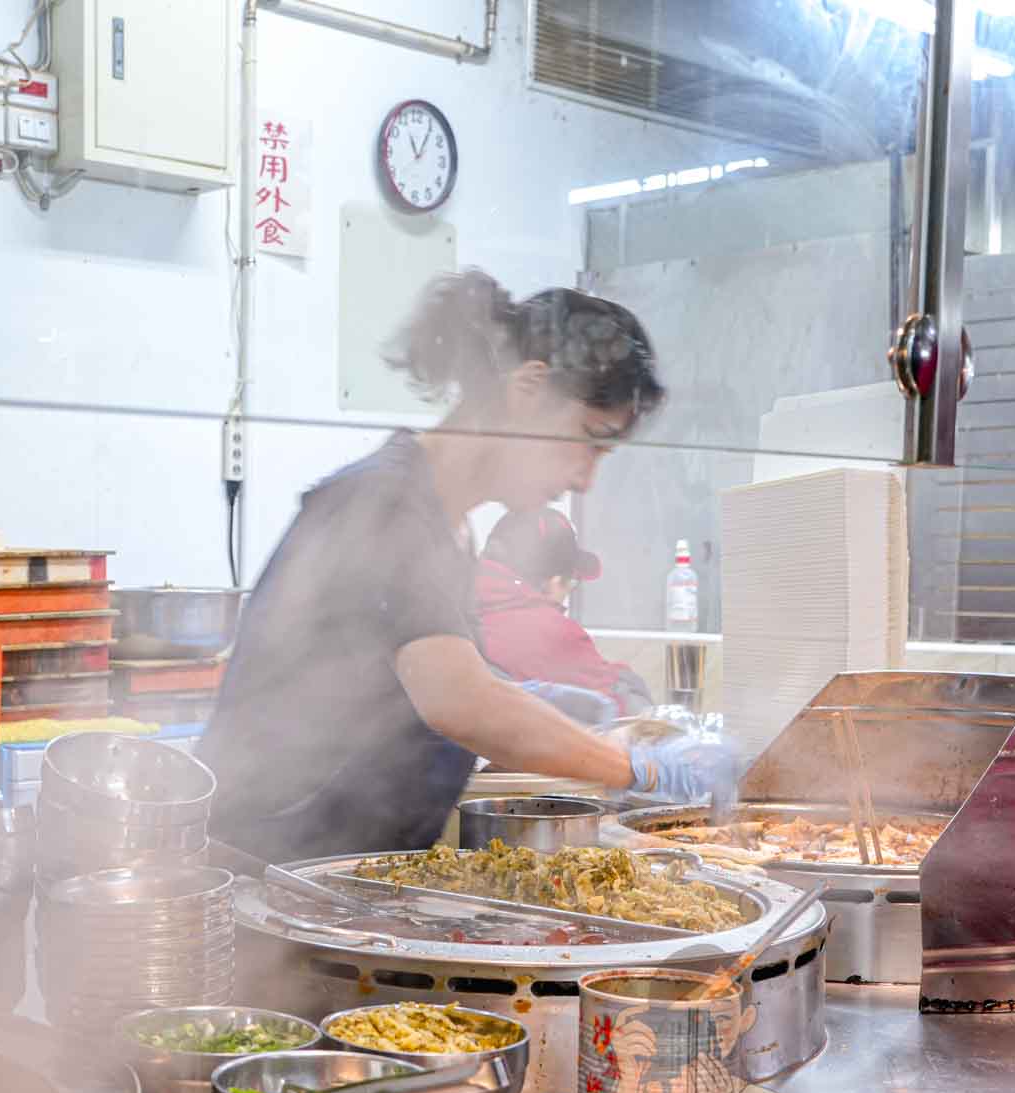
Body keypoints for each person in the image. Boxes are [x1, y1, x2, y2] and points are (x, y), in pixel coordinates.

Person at [198, 270, 735, 861]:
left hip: (346, 873)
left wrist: (537, 706)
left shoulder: (449, 527)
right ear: (529, 389)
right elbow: (458, 700)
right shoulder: (383, 502)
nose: (584, 478)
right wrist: (638, 770)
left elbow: (426, 682)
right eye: (588, 441)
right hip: (263, 871)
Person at [474, 507, 654, 720]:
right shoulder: (552, 634)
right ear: (552, 582)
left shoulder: (448, 617)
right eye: (572, 584)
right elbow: (631, 715)